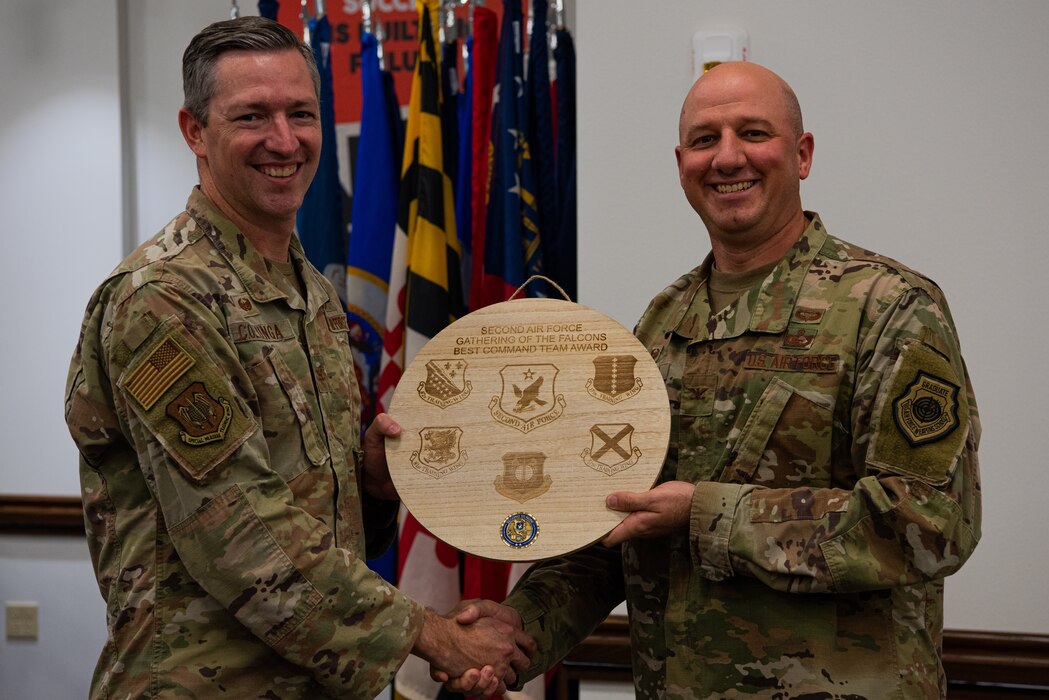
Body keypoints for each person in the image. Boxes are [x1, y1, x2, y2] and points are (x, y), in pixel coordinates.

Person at [444, 61, 981, 698]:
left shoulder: (888, 308)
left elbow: (930, 522)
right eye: (705, 140)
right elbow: (613, 524)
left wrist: (707, 514)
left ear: (802, 155)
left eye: (753, 133)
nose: (727, 158)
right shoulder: (662, 323)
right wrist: (518, 631)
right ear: (682, 165)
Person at [64, 16, 531, 699]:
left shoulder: (310, 292)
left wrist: (371, 483)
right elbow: (238, 532)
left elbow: (309, 508)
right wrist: (435, 636)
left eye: (301, 114)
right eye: (252, 116)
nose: (284, 141)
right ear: (195, 131)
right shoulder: (163, 298)